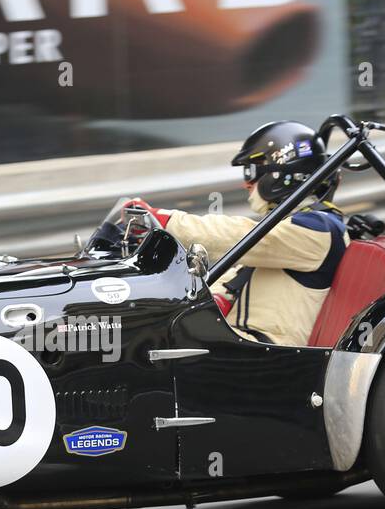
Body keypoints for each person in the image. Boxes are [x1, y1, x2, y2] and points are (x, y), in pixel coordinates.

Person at [130, 121, 348, 347]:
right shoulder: (292, 228)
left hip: (265, 351)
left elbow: (236, 237)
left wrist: (165, 221)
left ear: (281, 173)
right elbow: (236, 276)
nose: (246, 183)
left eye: (252, 171)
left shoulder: (318, 229)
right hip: (245, 341)